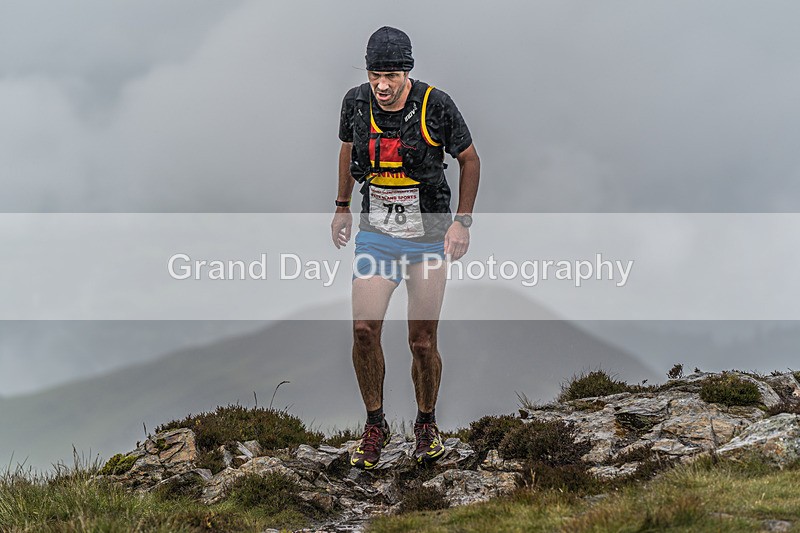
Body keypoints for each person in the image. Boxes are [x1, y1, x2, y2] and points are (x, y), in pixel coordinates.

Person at [331, 26, 480, 469]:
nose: (382, 84)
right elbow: (345, 150)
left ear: (407, 73)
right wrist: (341, 206)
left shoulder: (437, 105)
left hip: (430, 236)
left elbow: (469, 159)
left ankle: (426, 425)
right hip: (376, 234)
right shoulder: (355, 102)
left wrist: (462, 224)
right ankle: (374, 426)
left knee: (421, 340)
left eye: (391, 75)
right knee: (363, 330)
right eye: (376, 73)